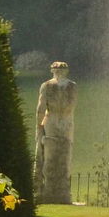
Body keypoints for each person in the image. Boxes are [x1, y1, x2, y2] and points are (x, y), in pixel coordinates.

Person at [35, 61, 78, 205]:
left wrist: (39, 129)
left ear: (52, 71)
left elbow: (40, 110)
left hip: (52, 123)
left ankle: (48, 192)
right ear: (67, 71)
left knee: (49, 158)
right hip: (66, 124)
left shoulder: (47, 85)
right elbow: (71, 108)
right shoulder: (72, 86)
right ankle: (62, 193)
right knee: (64, 158)